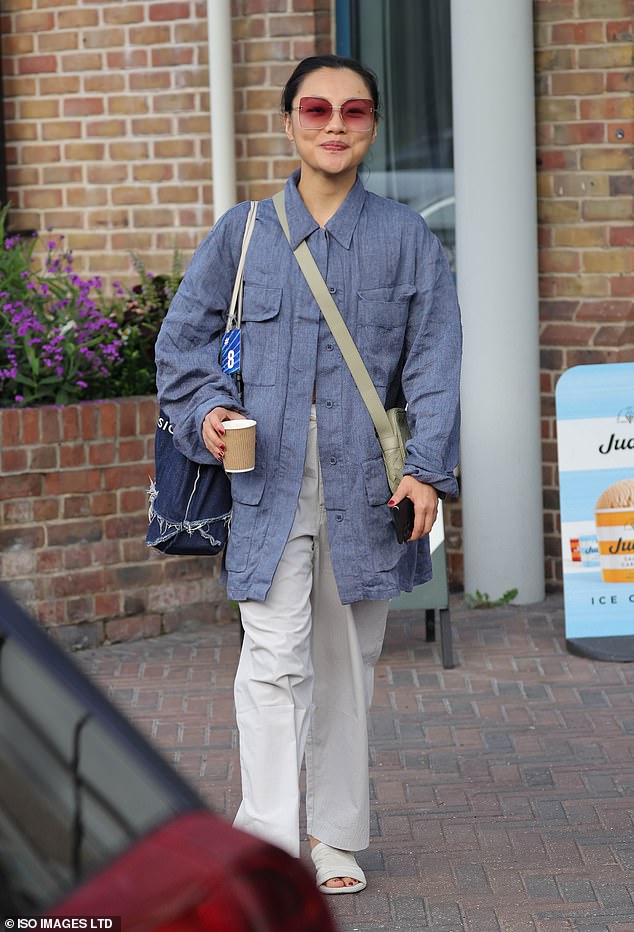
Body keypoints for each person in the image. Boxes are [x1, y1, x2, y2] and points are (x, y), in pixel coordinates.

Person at [155, 53, 462, 894]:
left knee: (348, 660)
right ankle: (266, 843)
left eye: (354, 111)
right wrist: (210, 413)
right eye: (318, 109)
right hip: (267, 480)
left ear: (370, 127)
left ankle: (333, 837)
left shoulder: (407, 240)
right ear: (289, 124)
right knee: (272, 659)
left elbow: (436, 362)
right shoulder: (243, 233)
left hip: (368, 487)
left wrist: (430, 470)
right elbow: (183, 345)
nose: (335, 124)